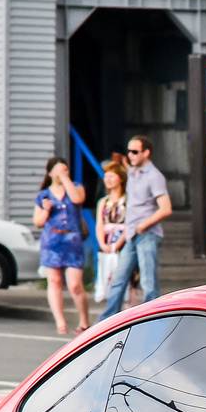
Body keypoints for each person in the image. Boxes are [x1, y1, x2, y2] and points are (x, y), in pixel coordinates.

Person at [99, 135, 171, 321]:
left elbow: (166, 208)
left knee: (148, 282)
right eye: (128, 151)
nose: (130, 155)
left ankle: (153, 321)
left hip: (147, 233)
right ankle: (106, 322)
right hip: (131, 234)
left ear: (146, 153)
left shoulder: (154, 176)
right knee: (118, 279)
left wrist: (143, 225)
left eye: (135, 151)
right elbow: (112, 168)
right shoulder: (132, 172)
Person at [32, 157, 88, 335]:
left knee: (75, 284)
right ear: (50, 173)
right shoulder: (43, 195)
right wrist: (47, 209)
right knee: (54, 281)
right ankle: (60, 321)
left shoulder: (76, 186)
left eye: (65, 169)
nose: (63, 172)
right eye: (58, 170)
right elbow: (38, 222)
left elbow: (77, 199)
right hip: (52, 242)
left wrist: (65, 179)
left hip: (72, 241)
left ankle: (84, 322)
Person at [92, 155, 129, 307]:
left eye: (111, 176)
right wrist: (102, 243)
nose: (107, 179)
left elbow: (129, 224)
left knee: (125, 279)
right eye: (106, 176)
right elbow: (99, 224)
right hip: (107, 242)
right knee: (107, 277)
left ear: (120, 178)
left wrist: (118, 244)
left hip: (123, 242)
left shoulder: (128, 199)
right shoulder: (103, 201)